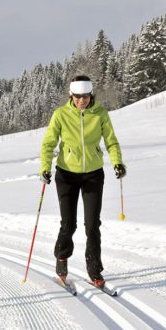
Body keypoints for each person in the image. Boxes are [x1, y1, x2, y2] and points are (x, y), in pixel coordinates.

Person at [39, 75, 126, 288]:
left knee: (92, 225)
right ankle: (62, 256)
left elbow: (111, 141)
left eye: (85, 96)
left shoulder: (100, 114)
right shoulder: (60, 114)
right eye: (78, 96)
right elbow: (48, 143)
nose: (81, 101)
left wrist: (117, 162)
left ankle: (94, 268)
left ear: (90, 95)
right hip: (66, 174)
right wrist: (45, 167)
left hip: (93, 174)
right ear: (71, 95)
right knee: (69, 224)